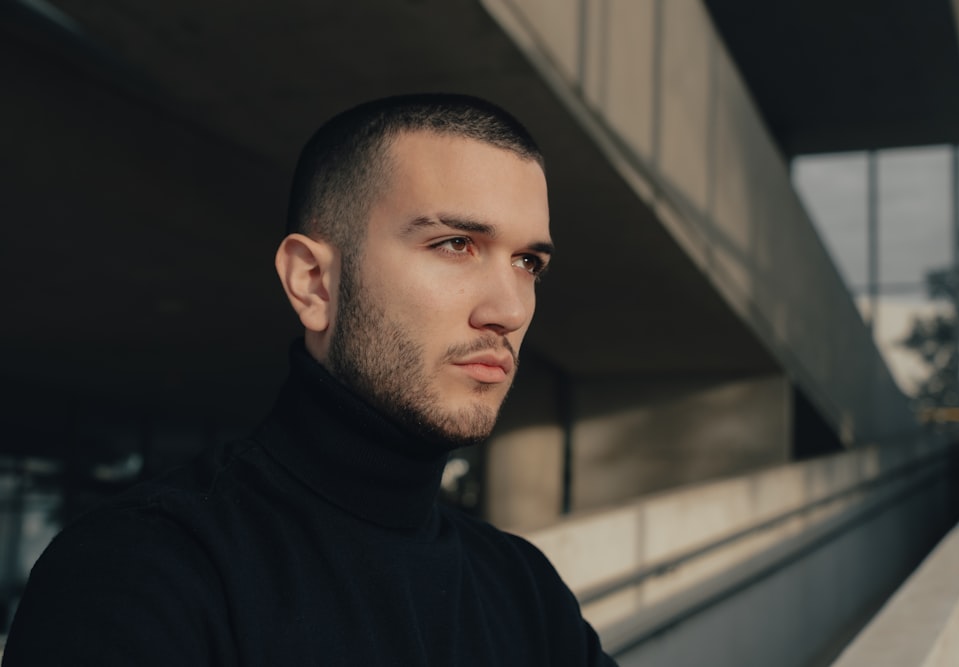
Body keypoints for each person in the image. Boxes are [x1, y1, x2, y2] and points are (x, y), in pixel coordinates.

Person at [3, 94, 617, 666]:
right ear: (313, 283)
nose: (509, 310)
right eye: (455, 244)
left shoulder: (525, 591)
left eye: (527, 262)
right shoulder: (144, 569)